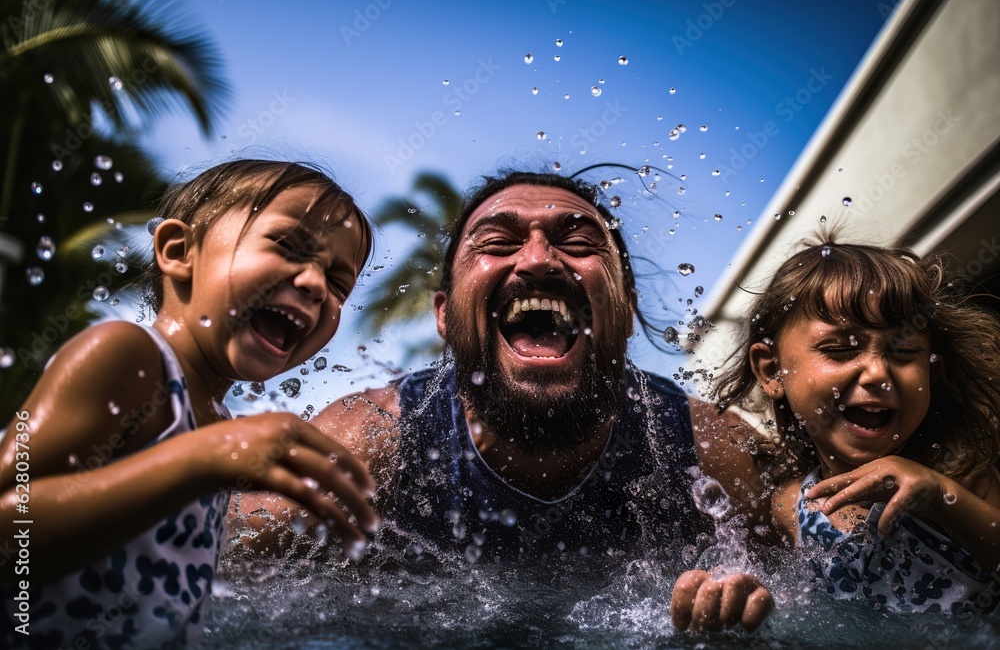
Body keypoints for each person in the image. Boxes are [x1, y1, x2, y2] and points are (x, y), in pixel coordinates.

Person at [237, 169, 774, 632]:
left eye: (580, 243)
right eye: (497, 243)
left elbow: (832, 555)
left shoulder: (708, 450)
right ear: (444, 315)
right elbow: (199, 564)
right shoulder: (374, 441)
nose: (539, 260)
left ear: (626, 311)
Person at [0, 160, 379, 648]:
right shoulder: (126, 356)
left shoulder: (215, 423)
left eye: (338, 283)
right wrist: (200, 459)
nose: (314, 284)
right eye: (289, 247)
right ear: (179, 251)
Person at [711, 236, 1000, 615]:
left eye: (904, 351)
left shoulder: (961, 474)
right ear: (771, 370)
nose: (878, 373)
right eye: (841, 350)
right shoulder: (791, 504)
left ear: (930, 371)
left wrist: (938, 495)